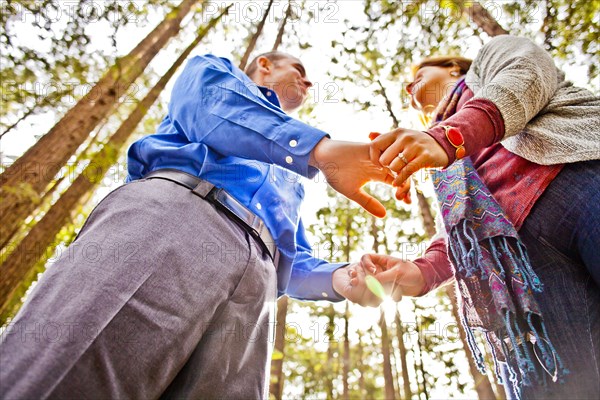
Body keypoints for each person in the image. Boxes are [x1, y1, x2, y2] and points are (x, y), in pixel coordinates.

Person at [0, 51, 391, 399]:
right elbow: (212, 112)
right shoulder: (215, 72)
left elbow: (294, 256)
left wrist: (341, 278)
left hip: (256, 287)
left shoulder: (291, 176)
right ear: (265, 65)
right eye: (299, 69)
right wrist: (316, 150)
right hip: (174, 218)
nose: (307, 82)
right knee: (72, 372)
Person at [364, 35, 600, 399]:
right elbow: (462, 228)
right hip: (523, 266)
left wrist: (448, 138)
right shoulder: (440, 154)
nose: (410, 90)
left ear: (453, 68)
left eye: (417, 77)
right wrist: (422, 271)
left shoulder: (492, 58)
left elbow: (527, 76)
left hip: (581, 180)